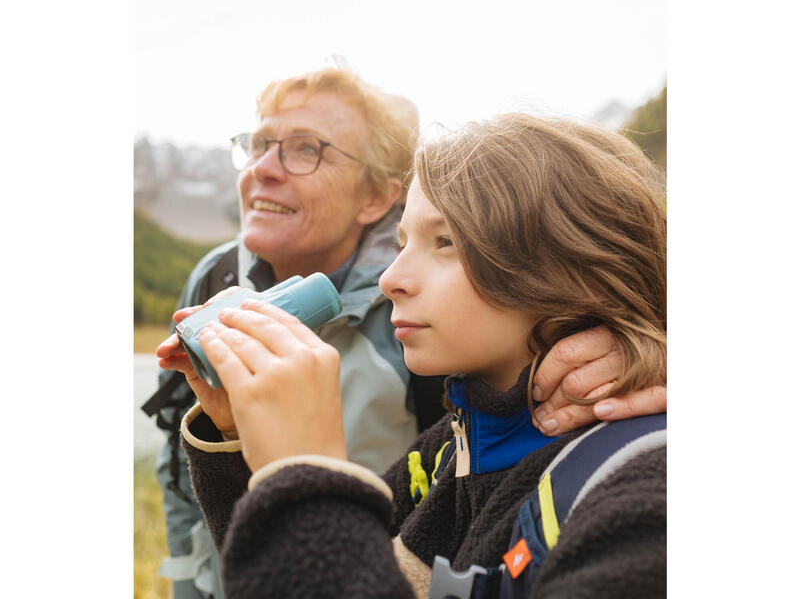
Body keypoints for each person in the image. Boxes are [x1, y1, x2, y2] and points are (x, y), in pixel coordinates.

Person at [149, 62, 666, 598]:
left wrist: (306, 475)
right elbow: (286, 572)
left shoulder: (646, 496)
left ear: (575, 267)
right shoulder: (448, 448)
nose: (393, 279)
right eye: (402, 244)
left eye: (445, 242)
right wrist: (239, 440)